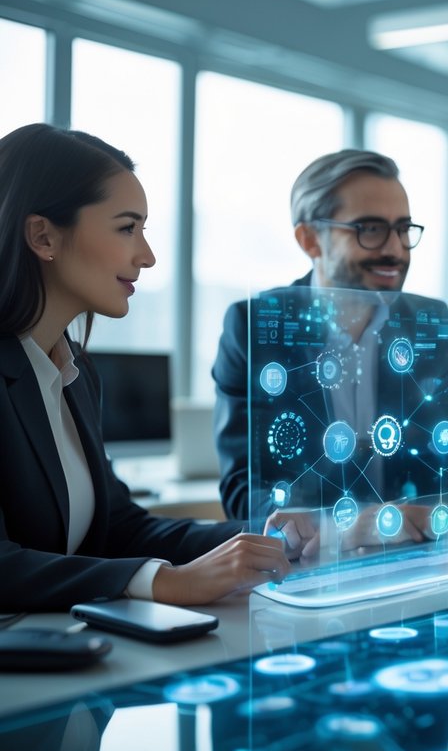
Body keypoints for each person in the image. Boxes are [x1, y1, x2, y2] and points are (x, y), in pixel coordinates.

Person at [0, 123, 289, 612]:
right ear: (43, 236)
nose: (148, 256)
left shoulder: (76, 376)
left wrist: (263, 535)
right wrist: (161, 583)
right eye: (126, 228)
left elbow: (120, 528)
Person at [212, 150, 448, 530]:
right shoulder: (255, 327)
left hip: (410, 556)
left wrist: (408, 522)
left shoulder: (426, 323)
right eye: (369, 229)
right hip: (307, 568)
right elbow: (242, 491)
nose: (395, 250)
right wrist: (332, 530)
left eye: (402, 229)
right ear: (310, 240)